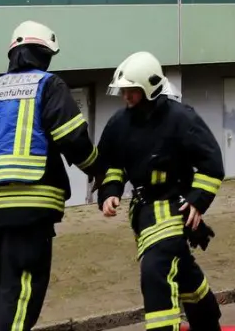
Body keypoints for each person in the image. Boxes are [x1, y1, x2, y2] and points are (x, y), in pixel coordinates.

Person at [0, 21, 96, 331]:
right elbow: (72, 138)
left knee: (6, 292)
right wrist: (101, 172)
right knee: (23, 294)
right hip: (32, 207)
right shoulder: (49, 85)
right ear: (45, 56)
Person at [95, 52, 224, 331]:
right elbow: (112, 164)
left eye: (133, 91)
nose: (126, 97)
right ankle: (207, 318)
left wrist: (197, 201)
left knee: (155, 272)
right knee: (181, 270)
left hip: (174, 208)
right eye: (124, 91)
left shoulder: (180, 118)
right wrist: (109, 192)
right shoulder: (119, 124)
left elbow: (212, 164)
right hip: (143, 213)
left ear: (150, 89)